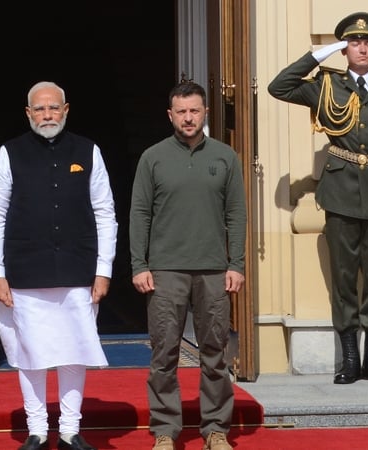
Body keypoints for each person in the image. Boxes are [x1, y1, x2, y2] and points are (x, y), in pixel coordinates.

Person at [268, 12, 368, 385]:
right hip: (340, 194)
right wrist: (319, 54)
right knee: (345, 277)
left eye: (366, 43)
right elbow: (279, 87)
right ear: (345, 49)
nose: (361, 48)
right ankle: (349, 359)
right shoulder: (326, 86)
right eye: (352, 43)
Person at [0, 81, 118, 450]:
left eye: (53, 108)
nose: (47, 115)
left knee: (74, 351)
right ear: (28, 113)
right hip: (25, 272)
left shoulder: (88, 151)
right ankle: (38, 429)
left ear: (66, 110)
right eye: (39, 109)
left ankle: (71, 430)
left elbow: (105, 212)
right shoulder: (9, 153)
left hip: (78, 271)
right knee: (31, 353)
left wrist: (103, 269)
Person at [129, 81, 247, 450]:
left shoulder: (225, 157)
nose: (188, 118)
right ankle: (165, 430)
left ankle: (215, 429)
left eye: (194, 110)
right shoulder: (153, 157)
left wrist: (237, 263)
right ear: (170, 115)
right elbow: (139, 213)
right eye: (181, 112)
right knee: (164, 353)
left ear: (205, 112)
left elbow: (237, 213)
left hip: (214, 270)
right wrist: (139, 264)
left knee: (215, 353)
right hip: (165, 271)